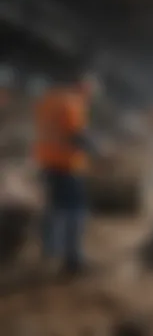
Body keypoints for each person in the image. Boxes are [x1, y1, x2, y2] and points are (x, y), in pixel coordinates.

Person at [34, 70, 97, 275]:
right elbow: (76, 135)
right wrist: (99, 151)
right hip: (67, 166)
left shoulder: (48, 99)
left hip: (47, 162)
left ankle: (50, 251)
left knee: (53, 208)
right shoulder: (72, 102)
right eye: (91, 89)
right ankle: (73, 260)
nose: (91, 94)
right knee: (75, 211)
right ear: (82, 85)